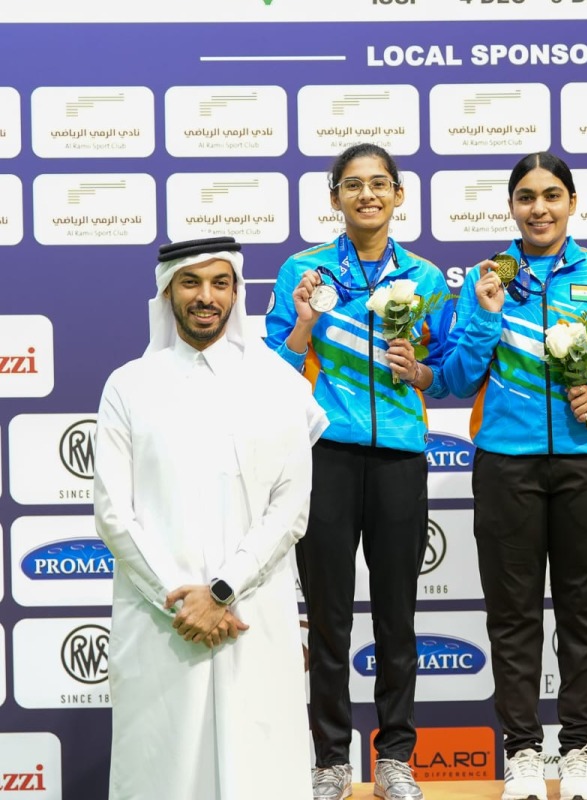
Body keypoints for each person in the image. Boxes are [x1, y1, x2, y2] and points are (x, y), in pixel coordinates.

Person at [442, 151, 587, 800]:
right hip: (506, 465)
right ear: (511, 206)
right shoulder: (487, 277)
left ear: (572, 203)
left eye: (552, 195)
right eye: (527, 197)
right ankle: (522, 754)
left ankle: (580, 753)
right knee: (512, 618)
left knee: (585, 617)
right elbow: (456, 378)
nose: (539, 208)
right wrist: (484, 314)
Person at [94, 236, 328, 800]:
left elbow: (290, 508)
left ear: (236, 293)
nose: (206, 297)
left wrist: (222, 591)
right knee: (164, 773)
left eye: (220, 283)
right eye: (191, 283)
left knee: (262, 772)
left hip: (251, 613)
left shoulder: (280, 385)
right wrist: (181, 600)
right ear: (166, 293)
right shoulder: (128, 386)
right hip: (163, 623)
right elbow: (114, 513)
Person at [265, 143, 454, 800]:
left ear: (399, 195)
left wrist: (419, 370)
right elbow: (271, 376)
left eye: (379, 184)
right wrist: (303, 325)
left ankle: (395, 757)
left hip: (400, 457)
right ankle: (331, 760)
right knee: (329, 619)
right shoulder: (304, 271)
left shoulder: (426, 277)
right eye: (353, 184)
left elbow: (451, 372)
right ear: (335, 198)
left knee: (398, 616)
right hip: (326, 457)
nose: (367, 195)